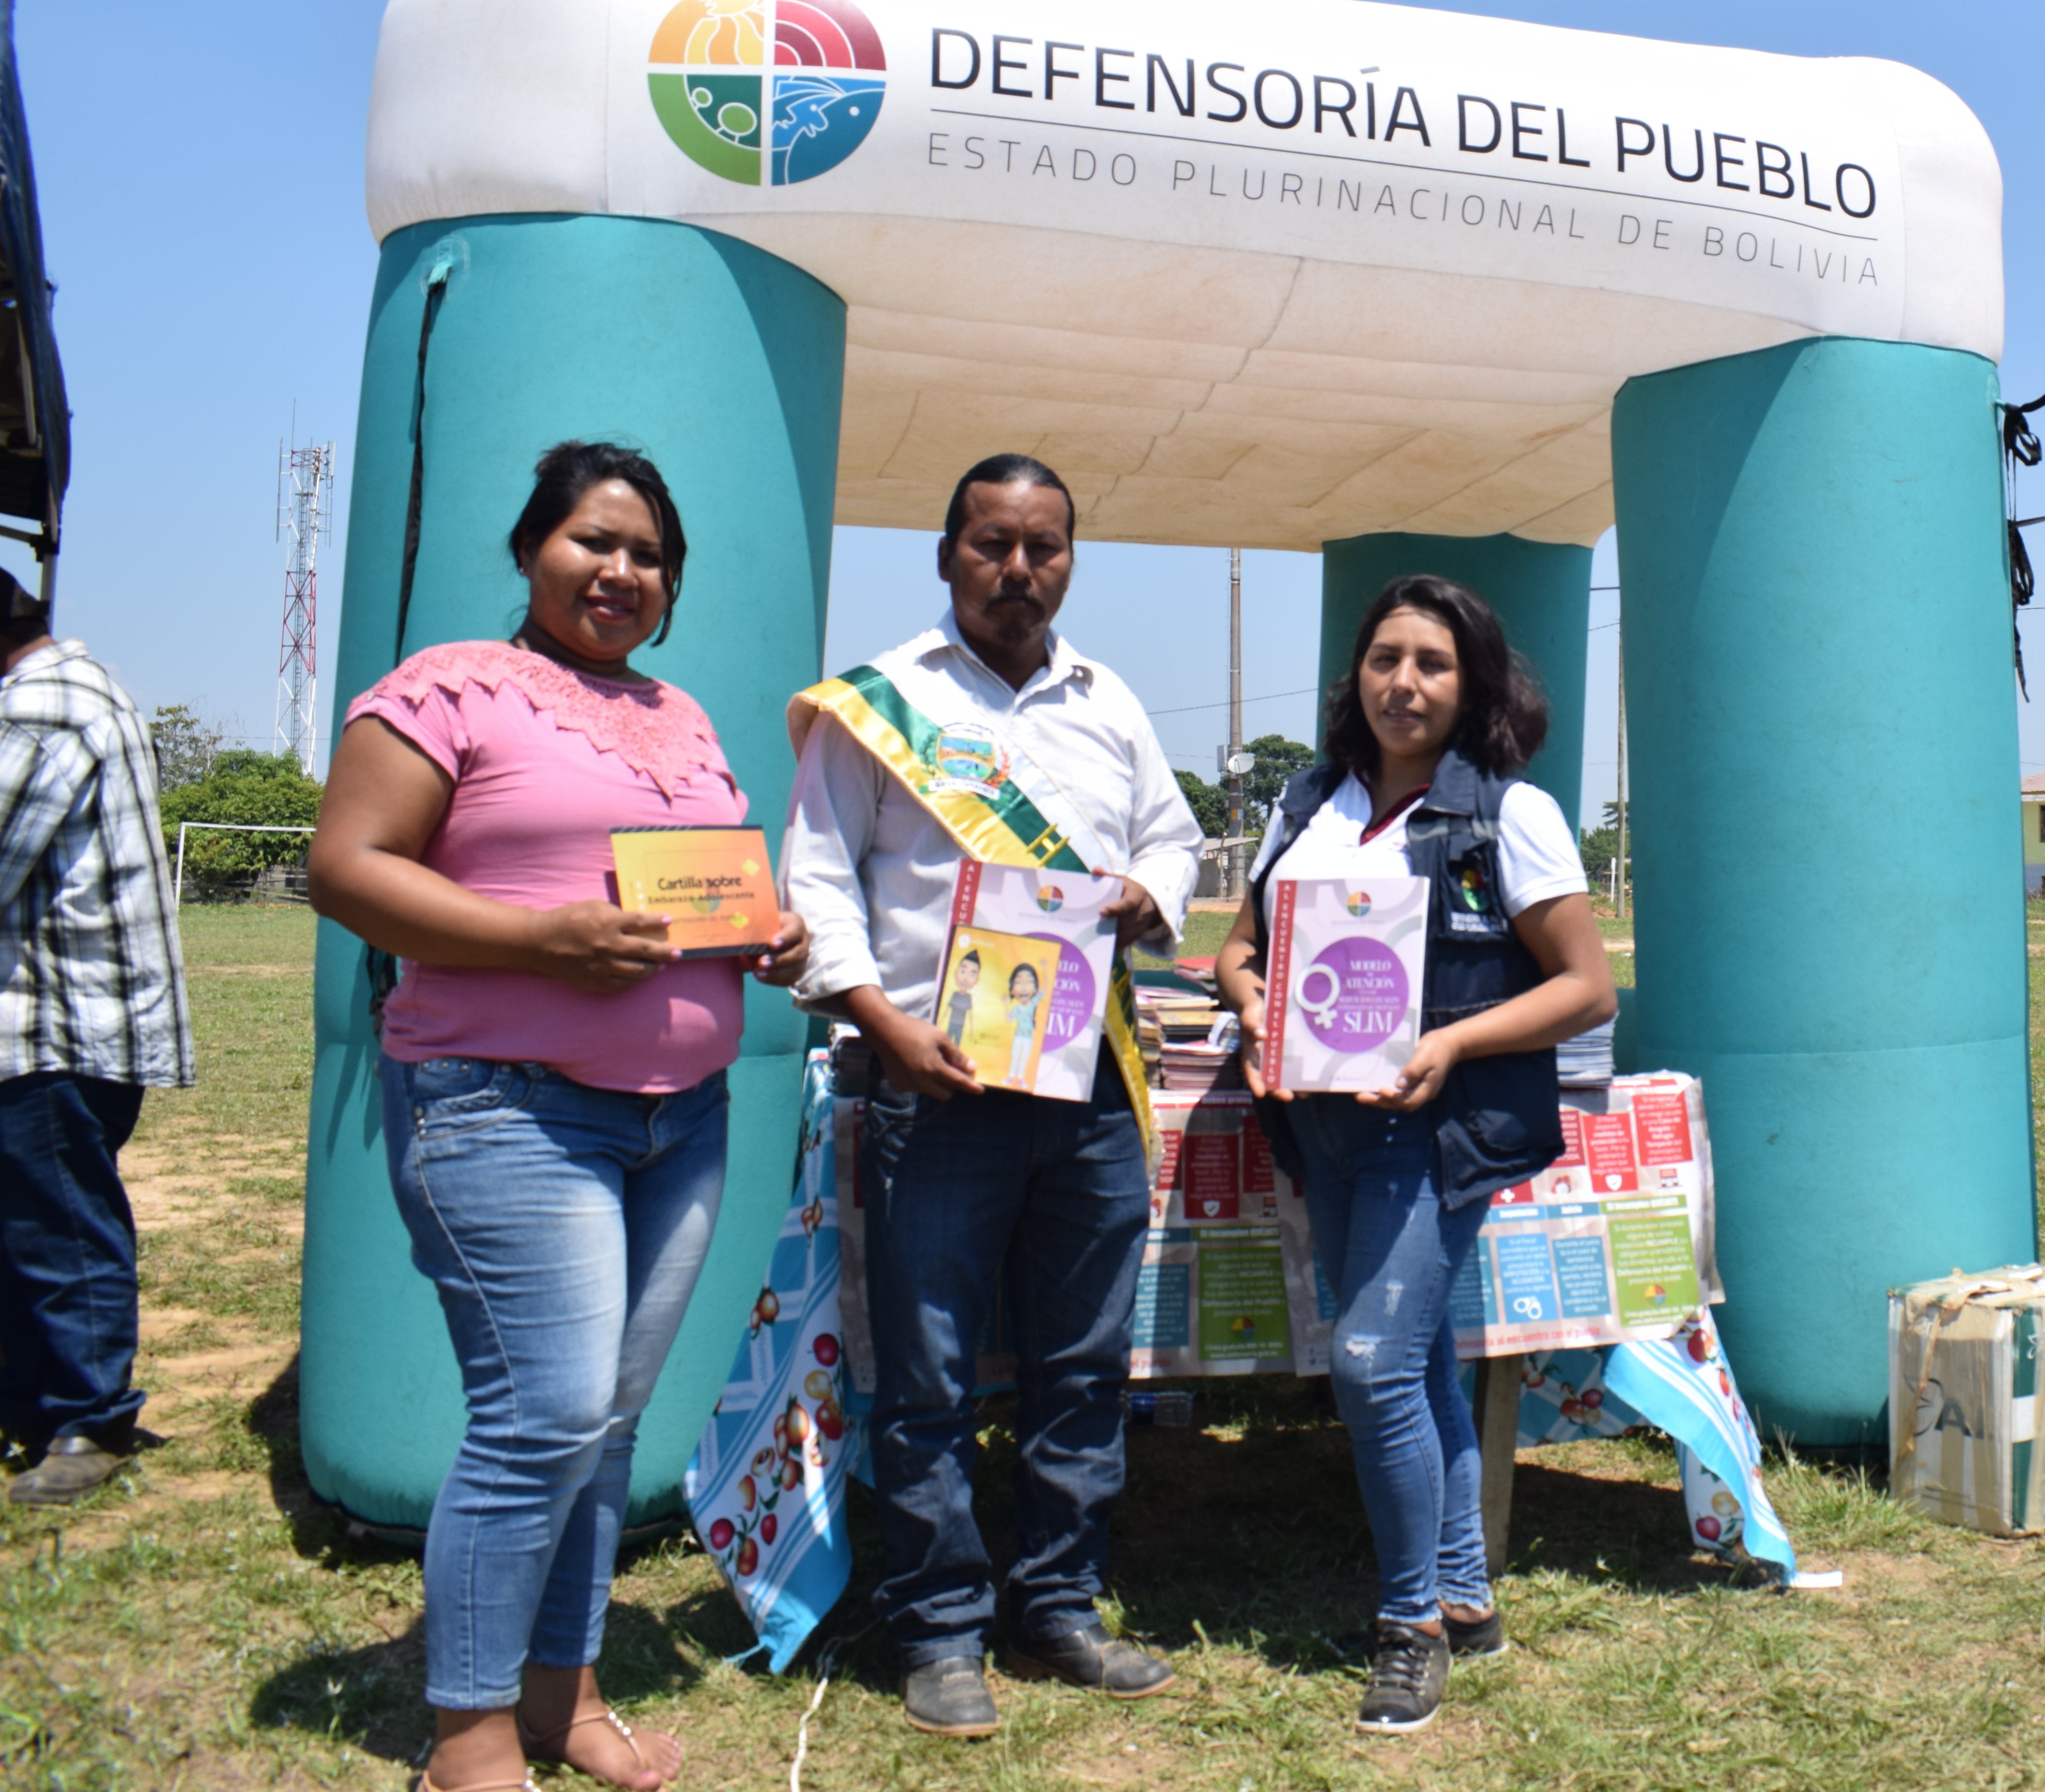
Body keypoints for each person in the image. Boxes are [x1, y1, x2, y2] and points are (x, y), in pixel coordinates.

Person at [310, 441, 810, 1792]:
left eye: (650, 554)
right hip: (507, 1113)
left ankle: (563, 1693)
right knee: (543, 1414)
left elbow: (688, 895)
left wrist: (757, 937)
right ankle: (467, 1733)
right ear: (533, 548)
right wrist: (544, 945)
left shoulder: (684, 718)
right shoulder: (447, 690)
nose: (623, 571)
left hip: (680, 1122)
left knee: (606, 1422)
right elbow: (344, 869)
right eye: (596, 541)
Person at [781, 452, 1203, 1739]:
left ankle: (1062, 1602)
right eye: (992, 544)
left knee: (1080, 1363)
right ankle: (940, 1626)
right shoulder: (884, 703)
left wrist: (1151, 893)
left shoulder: (1108, 700)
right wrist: (882, 1024)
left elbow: (1173, 833)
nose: (1019, 569)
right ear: (948, 552)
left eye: (1044, 547)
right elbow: (814, 877)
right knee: (931, 1370)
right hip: (937, 1081)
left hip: (1084, 1088)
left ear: (1070, 558)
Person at [1211, 574, 1615, 1735]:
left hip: (1435, 1127)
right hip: (1321, 1124)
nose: (1404, 682)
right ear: (1358, 677)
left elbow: (1584, 986)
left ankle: (1408, 1624)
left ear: (1473, 682)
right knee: (1419, 1357)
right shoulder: (1305, 802)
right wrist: (1255, 1008)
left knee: (1373, 1360)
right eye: (1385, 657)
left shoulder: (1508, 815)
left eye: (1433, 662)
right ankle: (1467, 1596)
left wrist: (1449, 1042)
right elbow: (1241, 949)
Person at [0, 570, 193, 1509]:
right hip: (58, 1023)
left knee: (58, 1228)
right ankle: (40, 1408)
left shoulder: (41, 709)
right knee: (28, 1222)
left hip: (54, 1025)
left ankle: (89, 1416)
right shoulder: (69, 691)